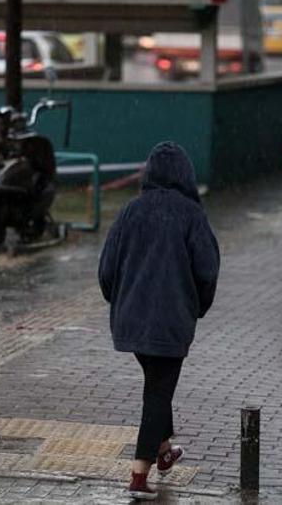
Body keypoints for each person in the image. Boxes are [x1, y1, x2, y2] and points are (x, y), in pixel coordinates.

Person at [98, 141, 220, 500]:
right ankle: (139, 474)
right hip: (171, 322)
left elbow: (107, 269)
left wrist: (118, 301)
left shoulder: (130, 211)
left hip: (131, 320)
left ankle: (164, 451)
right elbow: (207, 271)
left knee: (156, 384)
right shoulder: (192, 215)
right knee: (158, 391)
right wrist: (196, 307)